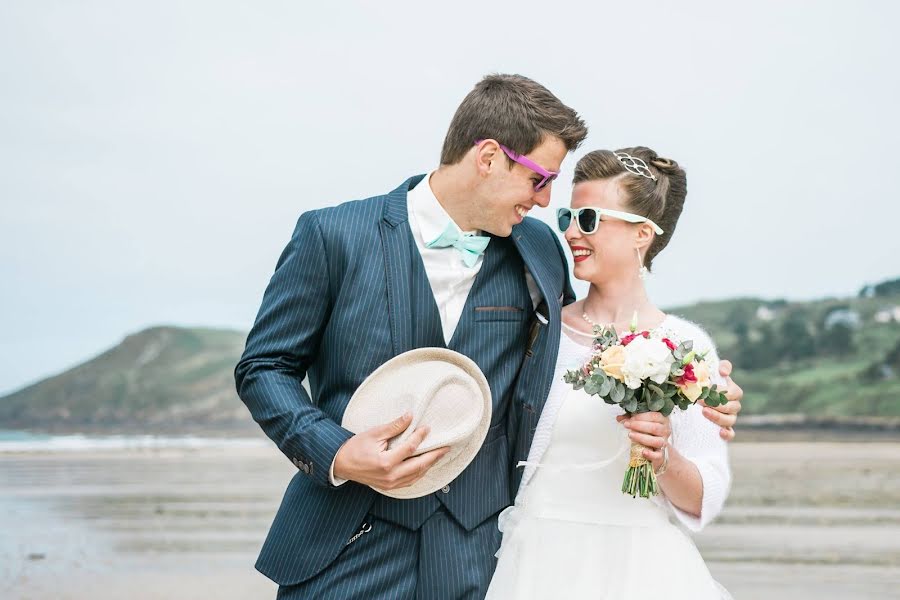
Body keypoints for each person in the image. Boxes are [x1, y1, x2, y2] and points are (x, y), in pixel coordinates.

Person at [235, 75, 742, 599]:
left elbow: (580, 356)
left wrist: (696, 387)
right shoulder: (333, 235)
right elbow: (264, 367)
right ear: (489, 157)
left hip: (479, 558)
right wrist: (337, 452)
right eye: (540, 179)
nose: (546, 203)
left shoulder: (539, 252)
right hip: (346, 543)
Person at [487, 147, 734, 599]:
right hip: (537, 564)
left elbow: (706, 495)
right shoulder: (542, 331)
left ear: (643, 234)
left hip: (642, 570)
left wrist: (663, 458)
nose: (570, 233)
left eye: (588, 219)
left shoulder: (687, 345)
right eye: (568, 216)